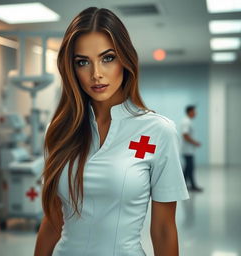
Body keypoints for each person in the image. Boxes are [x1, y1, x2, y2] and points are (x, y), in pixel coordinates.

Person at [34, 7, 189, 256]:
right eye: (83, 62)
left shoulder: (158, 131)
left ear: (125, 59)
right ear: (71, 69)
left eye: (108, 58)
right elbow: (52, 222)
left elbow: (163, 229)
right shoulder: (61, 131)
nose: (96, 74)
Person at [180, 105, 203, 192]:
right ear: (189, 112)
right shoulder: (186, 122)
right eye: (194, 111)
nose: (195, 113)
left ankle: (185, 186)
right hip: (187, 150)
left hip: (188, 150)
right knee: (190, 168)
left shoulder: (188, 121)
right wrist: (195, 142)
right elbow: (185, 135)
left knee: (188, 168)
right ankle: (191, 186)